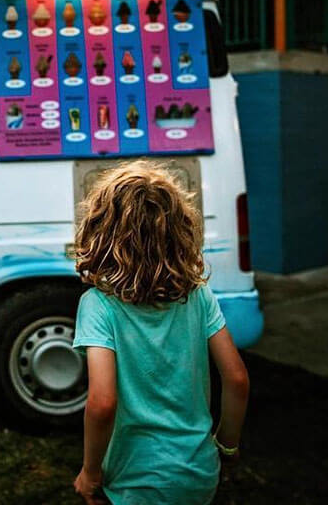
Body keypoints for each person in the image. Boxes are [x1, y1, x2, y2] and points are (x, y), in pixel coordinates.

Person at [71, 161, 250, 505]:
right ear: (179, 231)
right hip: (198, 474)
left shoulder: (98, 306)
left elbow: (103, 402)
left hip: (133, 483)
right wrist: (227, 447)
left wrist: (91, 472)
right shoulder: (198, 295)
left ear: (101, 231)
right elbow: (237, 379)